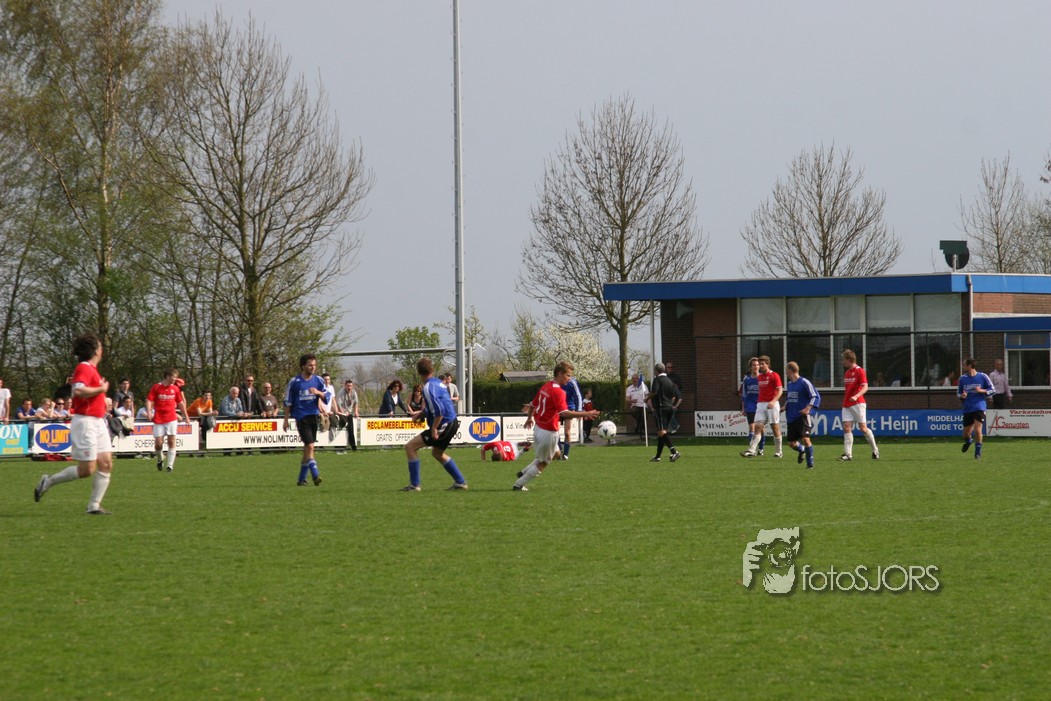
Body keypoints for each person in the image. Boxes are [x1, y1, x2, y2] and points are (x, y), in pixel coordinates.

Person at [34, 333, 114, 515]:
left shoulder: (93, 370)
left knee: (106, 463)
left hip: (98, 421)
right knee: (87, 470)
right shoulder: (84, 367)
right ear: (95, 350)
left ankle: (93, 506)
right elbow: (78, 390)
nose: (102, 349)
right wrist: (101, 389)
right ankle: (48, 481)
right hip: (85, 422)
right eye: (100, 346)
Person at [513, 361, 600, 491]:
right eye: (568, 375)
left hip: (538, 428)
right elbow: (564, 413)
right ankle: (519, 484)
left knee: (556, 453)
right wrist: (586, 413)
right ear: (559, 374)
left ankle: (524, 472)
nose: (569, 379)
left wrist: (529, 418)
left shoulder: (546, 386)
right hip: (548, 432)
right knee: (544, 462)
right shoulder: (559, 392)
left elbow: (533, 405)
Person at [400, 357, 467, 491]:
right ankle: (460, 482)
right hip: (452, 422)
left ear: (419, 372)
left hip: (444, 424)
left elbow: (439, 410)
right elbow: (436, 406)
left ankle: (414, 485)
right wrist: (420, 414)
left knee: (410, 447)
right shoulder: (438, 383)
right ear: (432, 370)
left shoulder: (428, 387)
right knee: (437, 453)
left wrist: (434, 428)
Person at [283, 353, 330, 486]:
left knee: (307, 448)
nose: (313, 367)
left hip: (313, 416)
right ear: (303, 366)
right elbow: (287, 402)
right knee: (310, 446)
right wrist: (286, 420)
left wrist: (318, 393)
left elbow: (326, 396)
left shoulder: (318, 380)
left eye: (314, 365)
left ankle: (301, 479)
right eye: (310, 365)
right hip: (301, 417)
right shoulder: (295, 382)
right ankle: (315, 475)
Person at [146, 368, 190, 472]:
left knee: (172, 440)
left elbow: (180, 403)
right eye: (174, 377)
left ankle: (170, 466)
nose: (175, 379)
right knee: (158, 443)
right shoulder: (156, 387)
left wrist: (186, 417)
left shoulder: (175, 388)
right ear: (167, 376)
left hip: (171, 418)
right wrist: (149, 412)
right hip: (159, 418)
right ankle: (160, 458)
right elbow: (149, 400)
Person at [839, 349, 879, 461]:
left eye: (844, 359)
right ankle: (848, 454)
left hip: (858, 403)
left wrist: (856, 396)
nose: (842, 362)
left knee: (863, 428)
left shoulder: (860, 371)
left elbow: (865, 387)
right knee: (846, 427)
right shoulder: (847, 373)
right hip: (847, 403)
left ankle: (875, 450)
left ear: (849, 360)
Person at [740, 355, 783, 458]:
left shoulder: (774, 375)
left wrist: (773, 401)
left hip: (772, 404)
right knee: (758, 427)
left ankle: (779, 451)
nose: (760, 366)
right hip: (760, 404)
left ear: (768, 364)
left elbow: (780, 390)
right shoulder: (759, 377)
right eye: (759, 364)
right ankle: (751, 450)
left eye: (762, 364)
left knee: (775, 427)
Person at [958, 358, 994, 460]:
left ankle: (978, 453)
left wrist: (982, 391)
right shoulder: (962, 379)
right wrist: (962, 396)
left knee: (978, 430)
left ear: (969, 365)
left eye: (964, 365)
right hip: (968, 408)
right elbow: (958, 393)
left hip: (979, 407)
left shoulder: (982, 376)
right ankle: (968, 441)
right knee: (966, 434)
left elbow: (993, 390)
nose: (963, 367)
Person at [784, 362, 818, 469]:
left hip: (802, 416)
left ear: (790, 370)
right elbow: (790, 398)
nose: (785, 372)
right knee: (791, 443)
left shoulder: (804, 382)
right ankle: (802, 450)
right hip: (791, 417)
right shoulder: (790, 384)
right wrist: (785, 406)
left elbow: (815, 396)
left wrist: (808, 408)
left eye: (786, 370)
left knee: (806, 439)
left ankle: (810, 465)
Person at [647, 362, 683, 463]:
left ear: (656, 371)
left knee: (661, 431)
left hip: (661, 408)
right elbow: (673, 396)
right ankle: (658, 457)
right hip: (669, 408)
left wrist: (647, 398)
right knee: (662, 433)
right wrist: (669, 404)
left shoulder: (657, 380)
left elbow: (654, 392)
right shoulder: (669, 381)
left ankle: (674, 452)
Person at [739, 357, 766, 456]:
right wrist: (743, 408)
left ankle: (761, 449)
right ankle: (752, 450)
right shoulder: (747, 379)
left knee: (761, 429)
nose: (756, 367)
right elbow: (744, 394)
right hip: (750, 405)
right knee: (752, 427)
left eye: (757, 365)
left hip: (760, 405)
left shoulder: (762, 378)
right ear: (750, 367)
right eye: (754, 365)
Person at [560, 372, 583, 460]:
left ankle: (565, 454)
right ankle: (559, 450)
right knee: (554, 432)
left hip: (569, 408)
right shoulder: (556, 382)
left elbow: (578, 396)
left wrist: (579, 411)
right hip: (558, 408)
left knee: (567, 432)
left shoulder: (572, 382)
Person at [335, 379, 359, 451]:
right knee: (340, 430)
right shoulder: (341, 392)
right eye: (348, 386)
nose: (349, 387)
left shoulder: (354, 393)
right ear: (345, 386)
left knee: (351, 430)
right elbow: (338, 404)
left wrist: (356, 412)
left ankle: (353, 447)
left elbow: (356, 403)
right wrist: (343, 413)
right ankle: (338, 446)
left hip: (349, 414)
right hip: (341, 414)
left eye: (350, 386)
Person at [664, 361, 683, 433]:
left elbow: (680, 396)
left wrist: (675, 406)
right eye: (668, 367)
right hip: (666, 402)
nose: (670, 368)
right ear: (666, 368)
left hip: (672, 404)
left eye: (671, 367)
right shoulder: (664, 377)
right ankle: (671, 429)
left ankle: (674, 427)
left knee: (671, 412)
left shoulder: (676, 378)